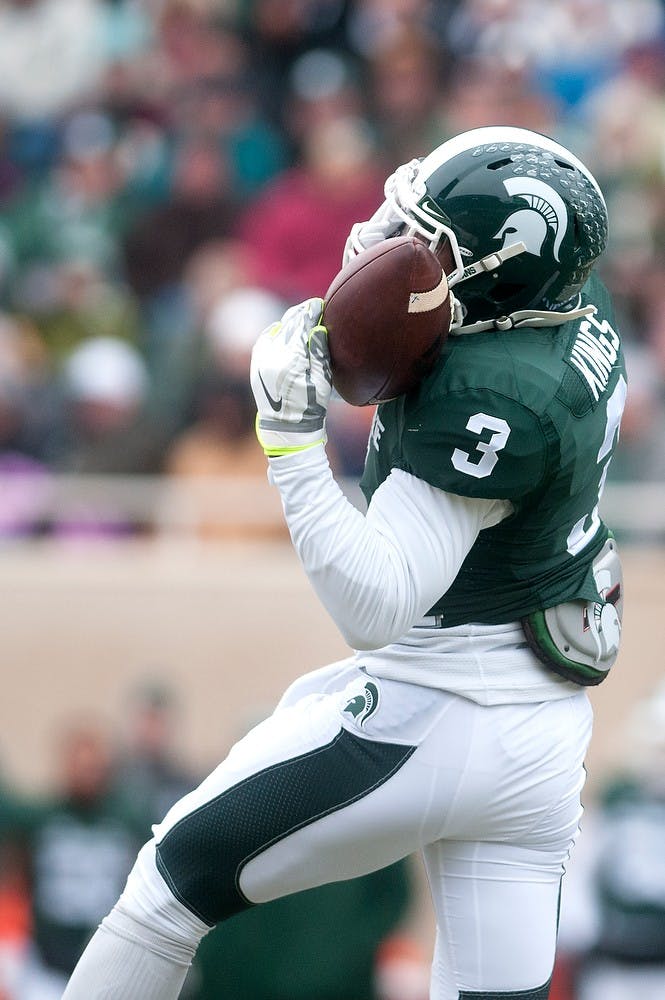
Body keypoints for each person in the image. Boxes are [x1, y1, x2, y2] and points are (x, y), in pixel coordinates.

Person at [62, 125, 627, 1000]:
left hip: (437, 709)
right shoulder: (572, 323)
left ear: (497, 268)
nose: (385, 242)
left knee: (163, 893)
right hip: (543, 733)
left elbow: (378, 604)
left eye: (424, 240)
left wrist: (290, 438)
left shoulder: (488, 397)